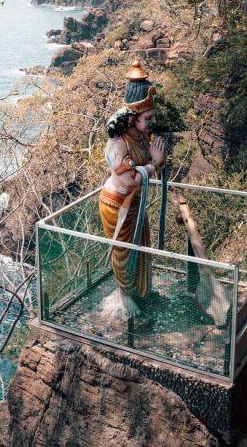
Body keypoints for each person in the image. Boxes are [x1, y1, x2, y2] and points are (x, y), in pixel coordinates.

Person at [98, 58, 165, 318]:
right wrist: (155, 166)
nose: (152, 121)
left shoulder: (139, 136)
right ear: (133, 118)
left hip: (135, 202)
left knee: (141, 247)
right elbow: (129, 180)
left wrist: (156, 162)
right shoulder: (117, 143)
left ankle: (140, 291)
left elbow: (149, 162)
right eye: (148, 118)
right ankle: (125, 297)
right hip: (117, 204)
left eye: (152, 117)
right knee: (124, 252)